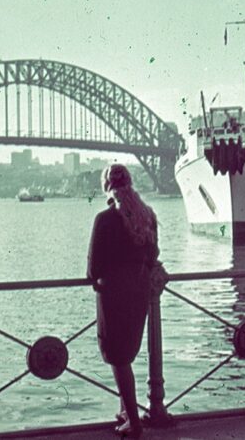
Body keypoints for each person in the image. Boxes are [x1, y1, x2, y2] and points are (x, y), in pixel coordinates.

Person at [87, 164, 158, 438]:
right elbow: (152, 257)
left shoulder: (104, 219)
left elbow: (94, 268)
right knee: (126, 355)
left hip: (112, 295)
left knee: (117, 357)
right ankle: (127, 412)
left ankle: (134, 423)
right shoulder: (147, 215)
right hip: (139, 292)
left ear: (107, 187)